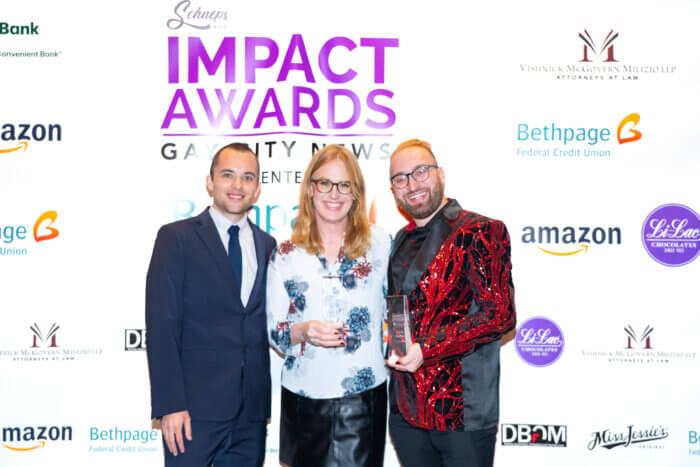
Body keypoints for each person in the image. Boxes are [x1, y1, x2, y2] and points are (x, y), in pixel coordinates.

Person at [385, 139, 516, 467]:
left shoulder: (481, 230)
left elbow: (499, 315)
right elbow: (399, 312)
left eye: (420, 172)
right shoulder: (398, 239)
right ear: (393, 189)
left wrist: (426, 349)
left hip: (461, 413)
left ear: (440, 173)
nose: (411, 184)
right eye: (400, 178)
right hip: (406, 412)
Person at [146, 143, 276, 467]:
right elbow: (161, 327)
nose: (237, 185)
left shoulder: (268, 245)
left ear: (257, 189)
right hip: (192, 411)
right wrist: (170, 404)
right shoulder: (176, 238)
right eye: (228, 175)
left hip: (251, 415)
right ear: (210, 182)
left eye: (247, 177)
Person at [266, 144, 391, 467]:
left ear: (355, 193)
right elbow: (274, 332)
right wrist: (303, 331)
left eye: (344, 184)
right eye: (324, 183)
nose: (333, 193)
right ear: (310, 188)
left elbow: (401, 310)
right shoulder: (286, 253)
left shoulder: (381, 245)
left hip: (363, 402)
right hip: (304, 399)